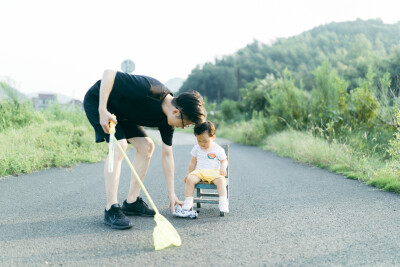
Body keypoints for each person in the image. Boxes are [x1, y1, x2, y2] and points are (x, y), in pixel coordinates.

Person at [83, 69, 206, 229]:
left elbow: (167, 155)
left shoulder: (167, 120)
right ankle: (111, 208)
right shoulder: (149, 89)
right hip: (98, 103)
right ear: (176, 112)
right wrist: (102, 109)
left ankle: (132, 202)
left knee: (147, 146)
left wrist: (172, 193)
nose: (183, 127)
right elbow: (109, 74)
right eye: (185, 124)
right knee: (119, 145)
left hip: (123, 114)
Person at [182, 121, 229, 213]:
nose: (202, 144)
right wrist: (188, 174)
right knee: (190, 179)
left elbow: (224, 160)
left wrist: (223, 167)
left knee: (221, 181)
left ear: (213, 137)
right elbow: (192, 163)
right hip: (199, 172)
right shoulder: (196, 148)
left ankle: (223, 202)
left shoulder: (218, 149)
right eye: (199, 140)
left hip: (214, 172)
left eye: (205, 141)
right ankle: (188, 201)